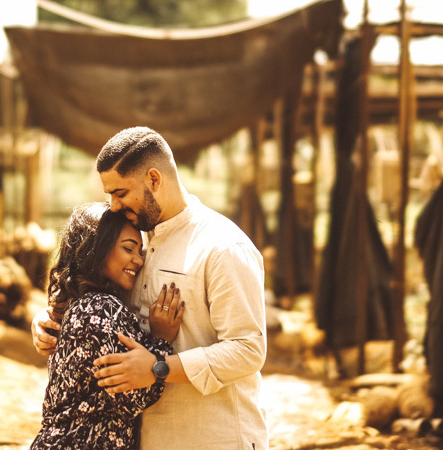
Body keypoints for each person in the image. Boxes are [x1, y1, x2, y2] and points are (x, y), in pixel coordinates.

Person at [32, 127, 269, 449]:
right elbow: (98, 304)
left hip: (214, 436)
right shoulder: (134, 240)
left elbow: (248, 349)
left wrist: (159, 367)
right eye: (109, 195)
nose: (114, 206)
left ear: (154, 180)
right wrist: (49, 320)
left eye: (120, 193)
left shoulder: (222, 247)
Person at [31, 201, 185, 449]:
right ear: (97, 248)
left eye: (140, 252)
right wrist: (162, 340)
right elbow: (132, 397)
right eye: (128, 249)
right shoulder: (101, 310)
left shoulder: (79, 304)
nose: (139, 260)